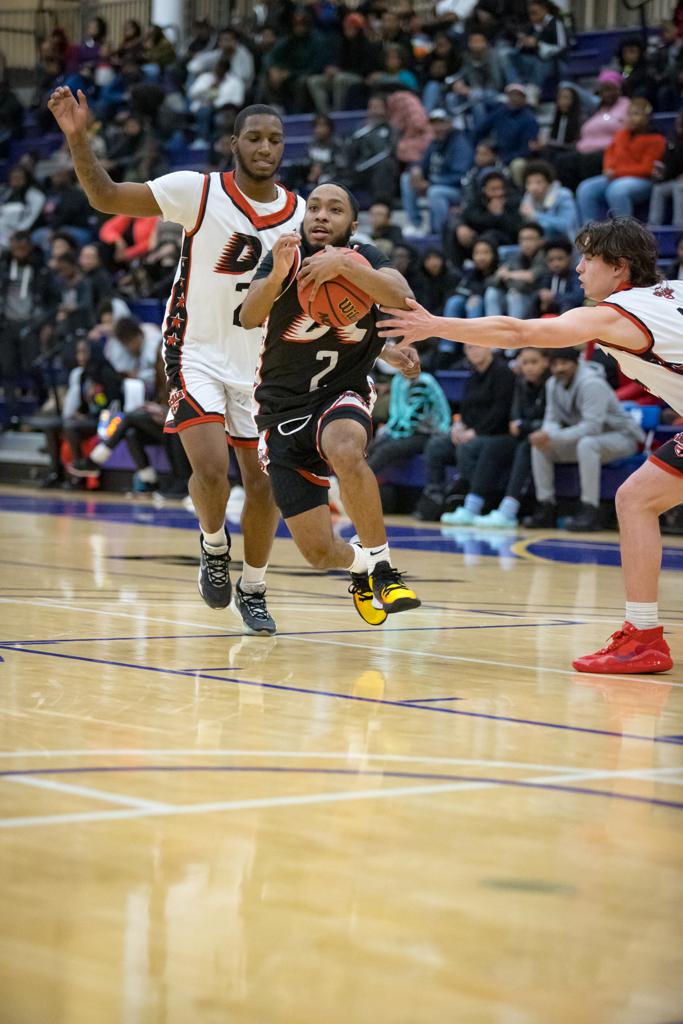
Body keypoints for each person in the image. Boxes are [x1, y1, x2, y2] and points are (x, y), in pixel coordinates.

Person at [48, 87, 306, 636]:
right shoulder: (199, 190)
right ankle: (214, 547)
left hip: (260, 366)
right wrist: (78, 140)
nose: (266, 147)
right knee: (211, 472)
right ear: (234, 143)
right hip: (196, 351)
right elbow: (107, 197)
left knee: (263, 488)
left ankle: (253, 588)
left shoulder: (300, 215)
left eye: (275, 139)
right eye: (255, 137)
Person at [378, 216, 683, 675]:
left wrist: (437, 324)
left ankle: (642, 637)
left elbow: (517, 334)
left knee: (636, 500)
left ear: (619, 266)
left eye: (589, 257)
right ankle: (642, 636)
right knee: (636, 498)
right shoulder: (673, 291)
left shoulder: (614, 316)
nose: (578, 268)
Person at [239, 182, 422, 626]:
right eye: (315, 207)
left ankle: (382, 568)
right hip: (281, 410)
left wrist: (344, 265)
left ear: (352, 225)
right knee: (319, 553)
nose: (321, 216)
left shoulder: (365, 255)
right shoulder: (285, 253)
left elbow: (402, 298)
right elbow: (248, 316)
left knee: (344, 447)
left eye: (335, 209)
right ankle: (359, 565)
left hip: (343, 393)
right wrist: (279, 275)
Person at [521, 347, 643, 531]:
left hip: (622, 438)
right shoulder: (552, 384)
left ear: (576, 363)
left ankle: (590, 509)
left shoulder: (592, 383)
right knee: (540, 447)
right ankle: (546, 506)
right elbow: (552, 419)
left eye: (564, 363)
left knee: (587, 444)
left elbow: (592, 427)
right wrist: (546, 435)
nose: (560, 368)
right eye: (555, 364)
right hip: (588, 439)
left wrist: (552, 435)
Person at [576, 98, 665, 223]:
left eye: (636, 114)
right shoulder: (621, 134)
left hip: (643, 181)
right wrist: (607, 169)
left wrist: (616, 173)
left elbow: (647, 169)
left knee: (617, 190)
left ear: (647, 117)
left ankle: (625, 233)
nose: (631, 118)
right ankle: (589, 234)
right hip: (616, 177)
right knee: (586, 188)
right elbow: (609, 153)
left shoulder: (656, 139)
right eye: (629, 114)